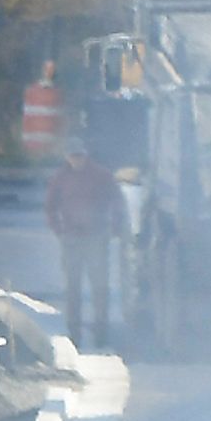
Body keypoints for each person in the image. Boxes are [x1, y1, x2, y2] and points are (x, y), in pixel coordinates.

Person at [44, 139, 125, 350]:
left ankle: (101, 333)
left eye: (79, 156)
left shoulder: (102, 175)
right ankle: (74, 333)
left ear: (85, 155)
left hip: (97, 237)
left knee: (100, 287)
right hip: (71, 239)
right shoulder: (60, 178)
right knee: (73, 288)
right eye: (72, 156)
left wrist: (115, 226)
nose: (76, 160)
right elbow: (50, 206)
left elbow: (117, 201)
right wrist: (58, 229)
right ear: (66, 157)